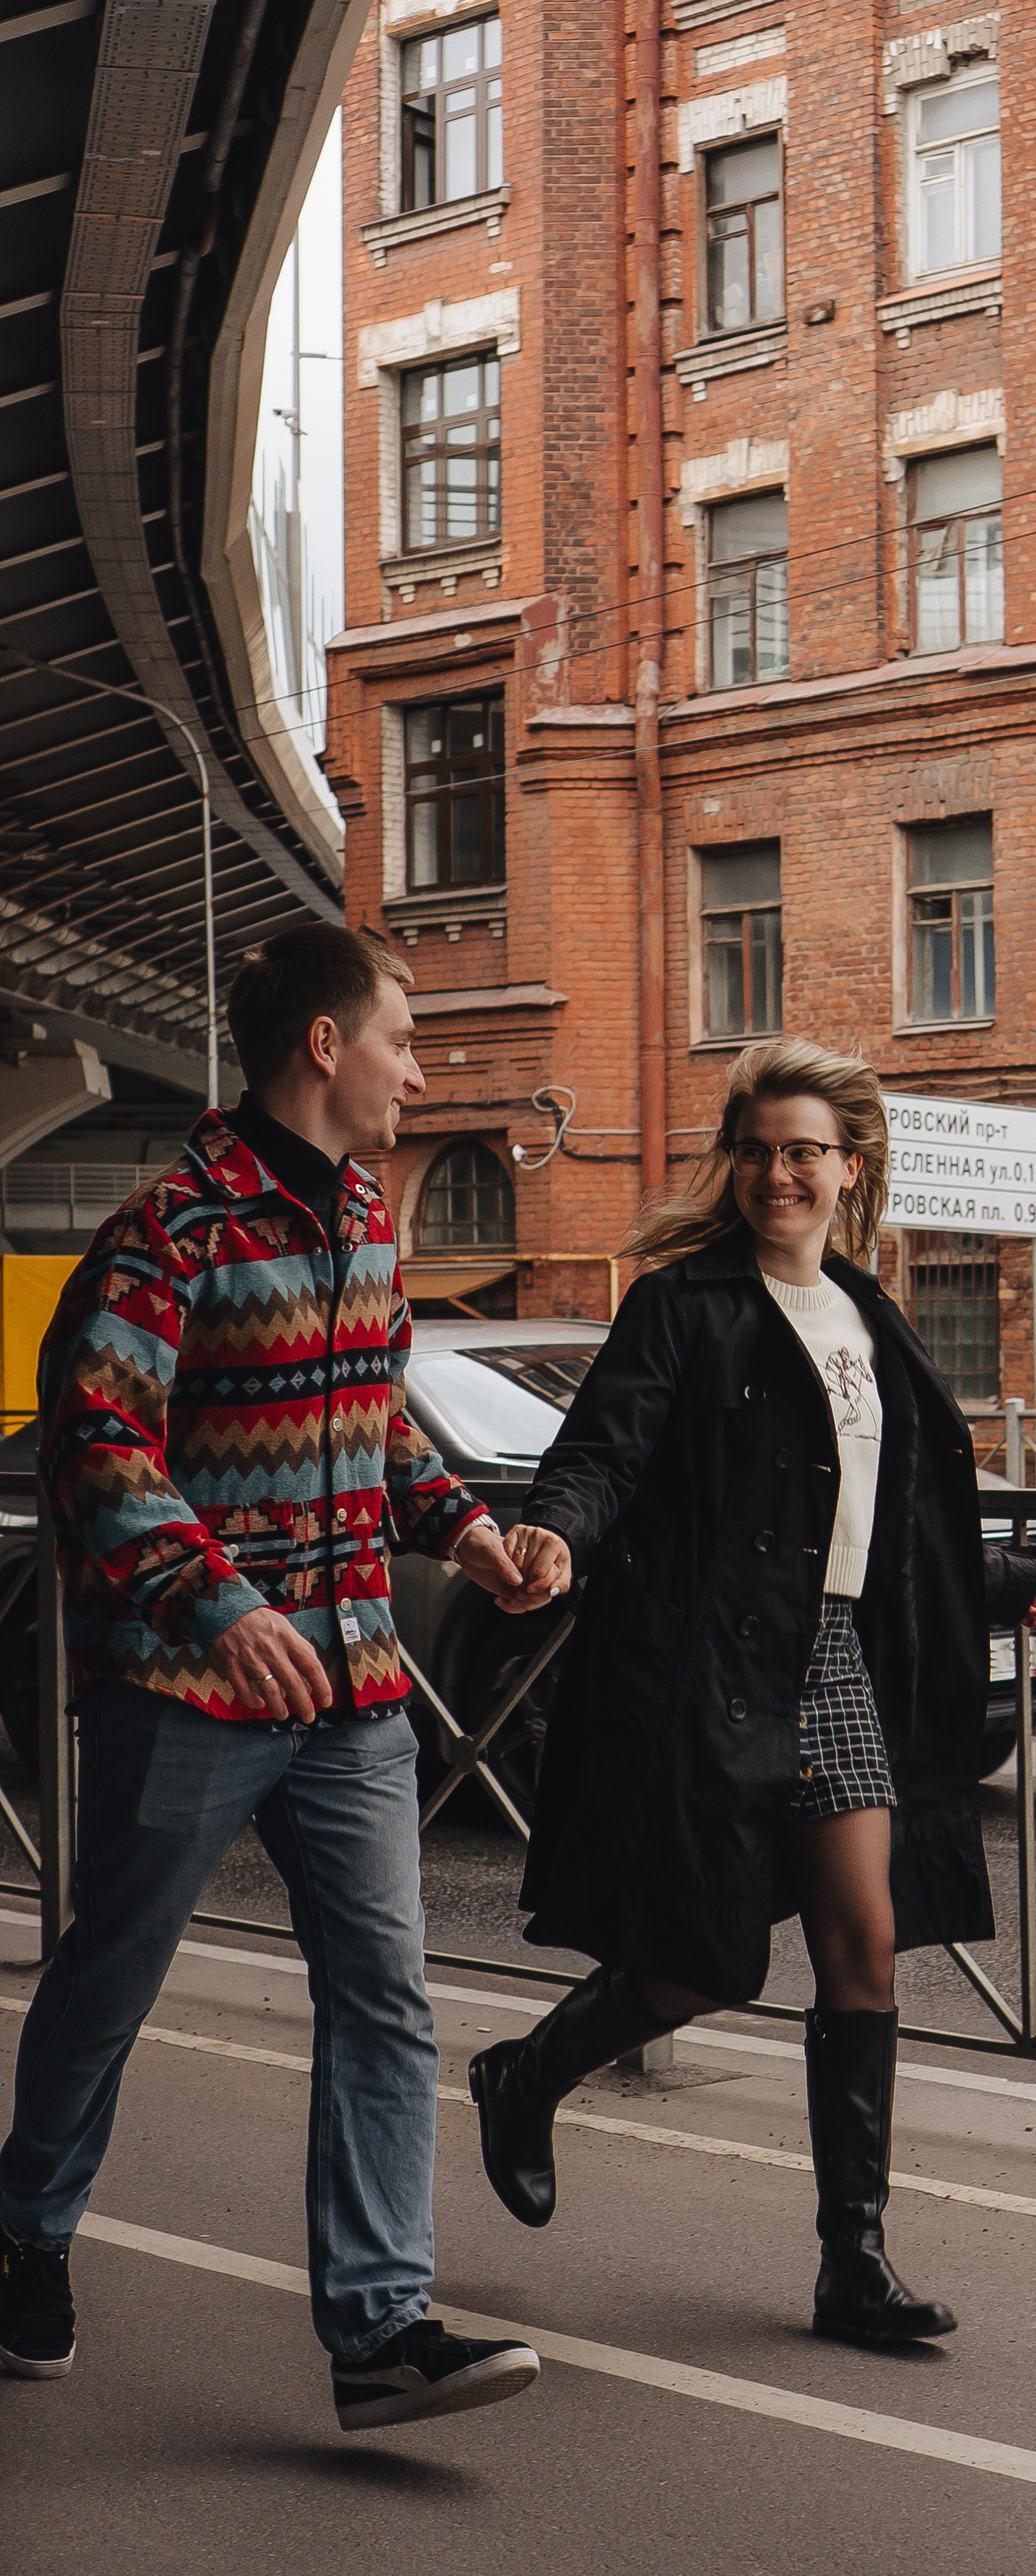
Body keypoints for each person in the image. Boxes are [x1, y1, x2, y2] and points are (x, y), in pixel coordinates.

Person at [0, 923, 569, 2431]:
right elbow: (96, 1438)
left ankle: (379, 2329)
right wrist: (207, 1597)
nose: (421, 1065)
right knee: (110, 1975)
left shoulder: (366, 1216)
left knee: (384, 1995)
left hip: (355, 1689)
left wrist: (476, 1535)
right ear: (325, 1044)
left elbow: (375, 1428)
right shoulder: (173, 1224)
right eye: (404, 1035)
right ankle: (24, 2237)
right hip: (186, 1693)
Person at [470, 1037, 1036, 2346]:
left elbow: (887, 1511)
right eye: (757, 1152)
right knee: (705, 1962)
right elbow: (603, 1452)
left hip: (843, 1662)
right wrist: (558, 1534)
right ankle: (526, 2074)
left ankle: (851, 2264)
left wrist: (989, 1579)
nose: (777, 1173)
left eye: (804, 1152)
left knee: (863, 1948)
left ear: (850, 1170)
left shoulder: (870, 1317)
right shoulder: (685, 1306)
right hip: (716, 1671)